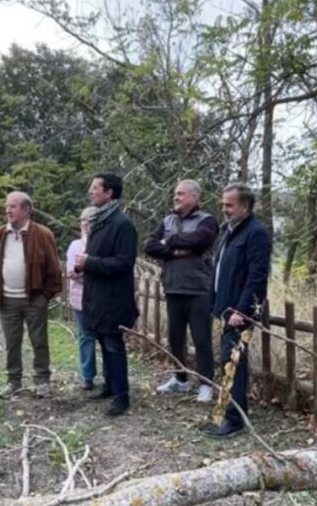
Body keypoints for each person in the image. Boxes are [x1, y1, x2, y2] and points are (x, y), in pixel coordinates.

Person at [144, 179, 219, 402]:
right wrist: (175, 251)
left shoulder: (207, 221)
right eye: (175, 194)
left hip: (198, 289)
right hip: (173, 287)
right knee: (175, 337)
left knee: (201, 338)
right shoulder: (167, 220)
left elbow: (199, 240)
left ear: (194, 197)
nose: (175, 197)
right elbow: (149, 245)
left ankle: (206, 383)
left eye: (180, 194)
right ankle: (180, 379)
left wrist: (169, 241)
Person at [208, 183, 272, 438]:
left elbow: (257, 276)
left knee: (233, 363)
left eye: (229, 205)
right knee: (227, 362)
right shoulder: (231, 231)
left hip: (239, 312)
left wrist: (242, 310)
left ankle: (234, 420)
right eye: (223, 204)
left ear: (245, 206)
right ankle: (225, 413)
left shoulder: (255, 233)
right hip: (225, 309)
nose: (224, 209)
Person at [74, 173, 138, 417]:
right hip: (96, 298)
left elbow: (123, 263)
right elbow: (95, 258)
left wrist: (90, 262)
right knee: (103, 343)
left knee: (113, 346)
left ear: (109, 193)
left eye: (95, 188)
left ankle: (122, 396)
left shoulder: (122, 225)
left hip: (113, 300)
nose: (90, 192)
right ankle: (110, 386)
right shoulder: (99, 222)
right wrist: (83, 266)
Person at [0, 192, 62, 398]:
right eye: (7, 206)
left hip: (34, 298)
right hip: (7, 300)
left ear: (27, 210)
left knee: (39, 341)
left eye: (13, 206)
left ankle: (42, 381)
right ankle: (14, 382)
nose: (8, 210)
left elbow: (54, 269)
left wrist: (45, 295)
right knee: (12, 343)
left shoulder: (43, 234)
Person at [66, 207, 98, 391]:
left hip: (100, 300)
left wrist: (86, 269)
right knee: (86, 336)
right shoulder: (75, 246)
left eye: (90, 220)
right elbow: (72, 273)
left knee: (103, 337)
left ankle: (109, 376)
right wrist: (92, 271)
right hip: (80, 299)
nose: (86, 224)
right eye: (83, 220)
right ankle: (88, 376)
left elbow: (105, 271)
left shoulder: (103, 244)